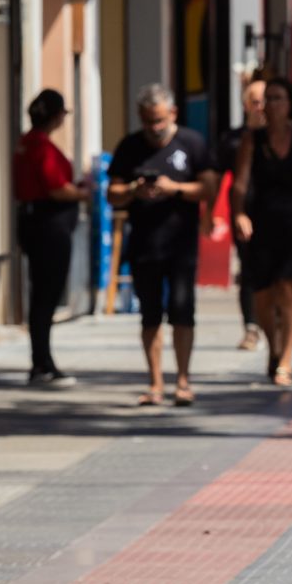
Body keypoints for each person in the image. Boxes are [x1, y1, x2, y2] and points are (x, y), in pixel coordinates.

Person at [108, 84, 217, 407]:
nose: (153, 128)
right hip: (144, 243)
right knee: (150, 316)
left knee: (183, 312)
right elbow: (111, 193)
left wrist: (175, 188)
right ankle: (155, 383)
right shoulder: (129, 146)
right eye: (146, 121)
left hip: (181, 243)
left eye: (158, 120)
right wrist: (132, 189)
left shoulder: (192, 142)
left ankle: (183, 381)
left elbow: (209, 187)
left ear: (172, 113)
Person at [231, 78, 292, 387]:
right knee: (262, 294)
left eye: (278, 98)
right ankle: (274, 347)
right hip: (261, 222)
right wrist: (239, 213)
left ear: (290, 104)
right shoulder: (251, 140)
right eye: (268, 98)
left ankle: (286, 360)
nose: (271, 104)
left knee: (288, 288)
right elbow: (240, 181)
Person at [13, 89, 90, 387]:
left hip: (36, 223)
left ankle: (41, 360)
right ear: (56, 116)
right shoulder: (40, 146)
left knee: (41, 295)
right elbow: (58, 190)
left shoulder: (25, 143)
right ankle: (41, 363)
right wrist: (86, 193)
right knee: (46, 295)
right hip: (48, 226)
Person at [216, 77, 267, 351]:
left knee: (278, 276)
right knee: (248, 271)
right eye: (256, 102)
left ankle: (274, 325)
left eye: (266, 101)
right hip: (245, 214)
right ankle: (251, 327)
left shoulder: (284, 136)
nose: (262, 107)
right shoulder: (233, 140)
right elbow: (218, 177)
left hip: (278, 216)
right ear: (246, 105)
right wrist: (213, 216)